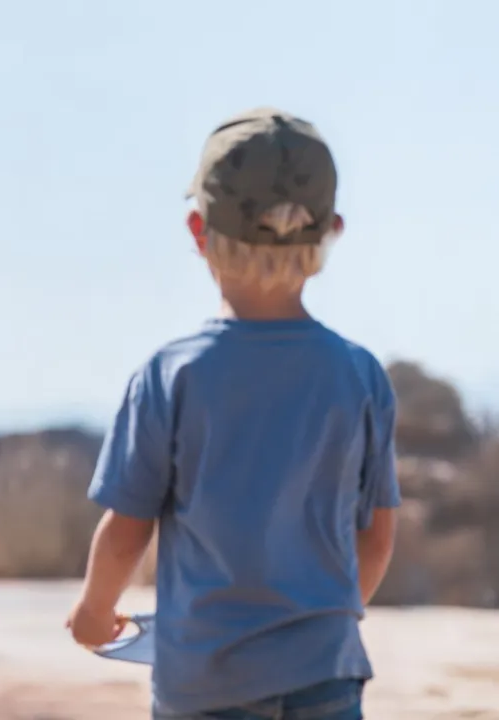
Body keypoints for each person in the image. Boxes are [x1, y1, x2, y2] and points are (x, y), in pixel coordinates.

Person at [66, 107, 399, 719]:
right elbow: (376, 536)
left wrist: (92, 613)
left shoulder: (172, 376)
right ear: (333, 231)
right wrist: (325, 626)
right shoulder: (359, 375)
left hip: (206, 683)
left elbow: (127, 529)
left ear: (198, 231)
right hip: (328, 674)